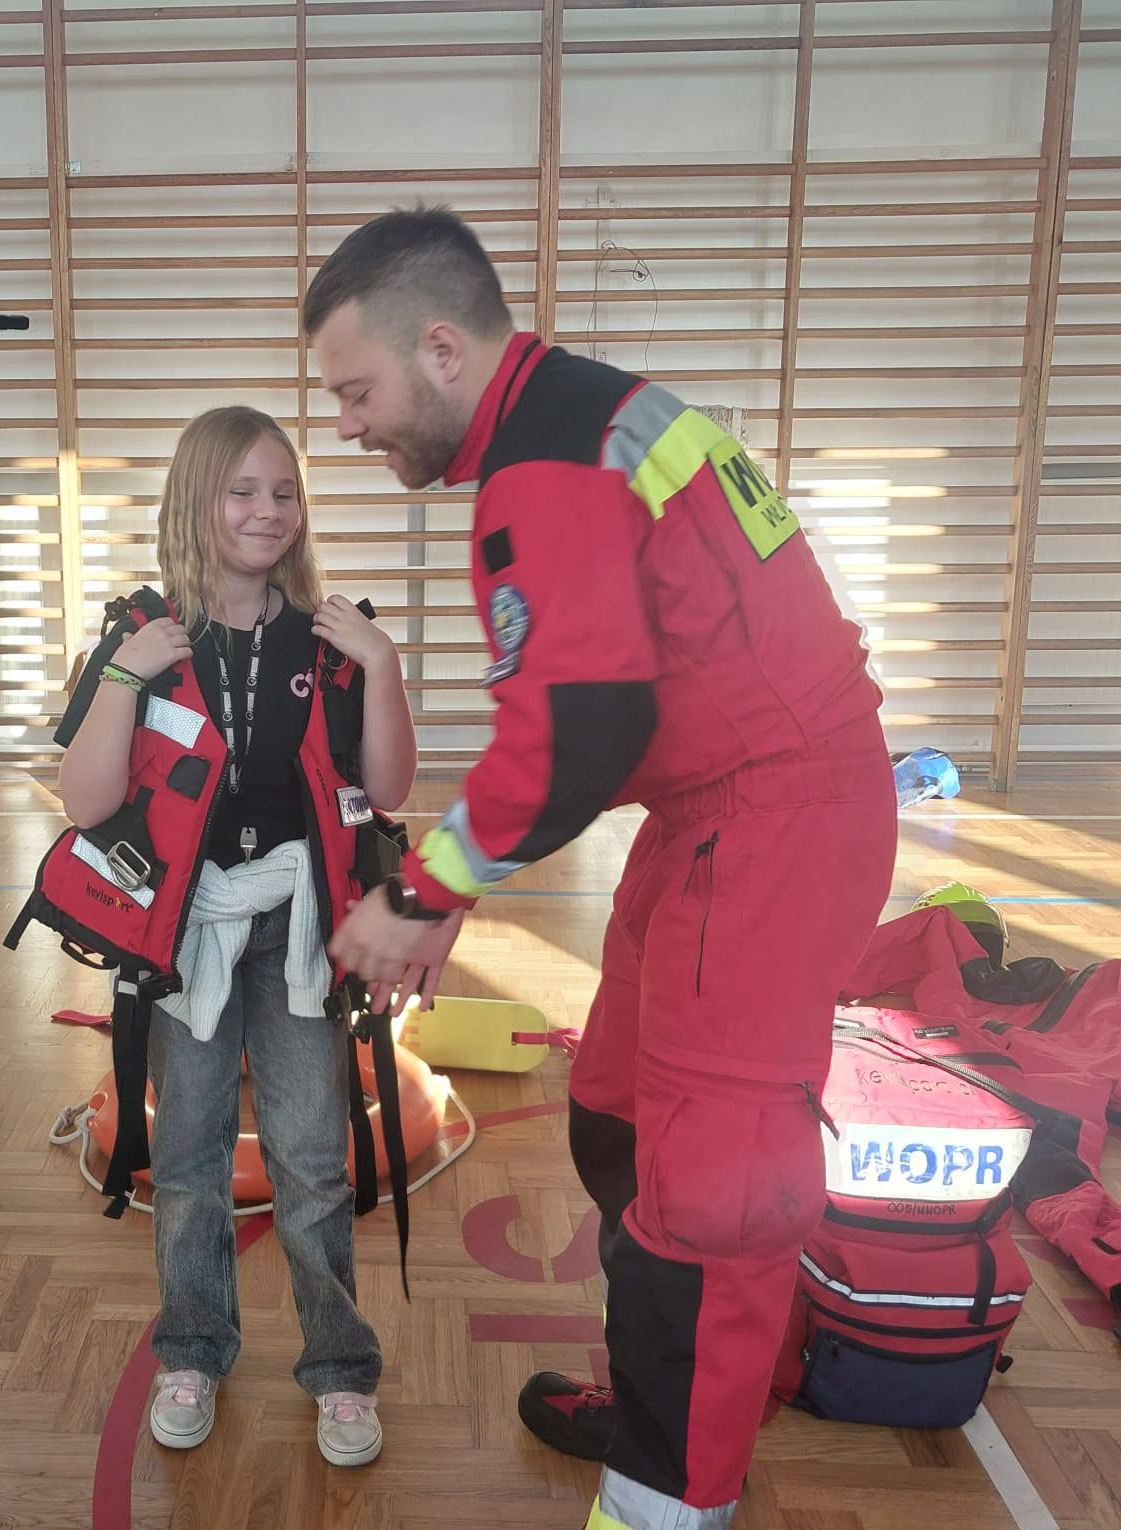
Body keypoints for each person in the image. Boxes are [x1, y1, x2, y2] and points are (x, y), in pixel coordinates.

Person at [307, 208, 897, 1530]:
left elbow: (577, 735)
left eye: (355, 391)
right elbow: (619, 708)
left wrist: (420, 893)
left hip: (774, 828)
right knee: (617, 1116)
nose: (345, 424)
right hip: (714, 813)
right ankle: (663, 1399)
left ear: (441, 349)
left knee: (710, 1200)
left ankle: (671, 1496)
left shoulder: (548, 464)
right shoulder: (578, 418)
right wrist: (447, 889)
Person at [52, 405, 417, 1467]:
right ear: (194, 500)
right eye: (243, 491)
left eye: (284, 492)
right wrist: (125, 675)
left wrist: (385, 668)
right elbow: (85, 803)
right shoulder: (143, 638)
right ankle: (193, 1351)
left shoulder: (333, 640)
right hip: (187, 938)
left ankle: (340, 1369)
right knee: (188, 1156)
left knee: (312, 1158)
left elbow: (389, 790)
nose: (267, 511)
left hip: (298, 934)